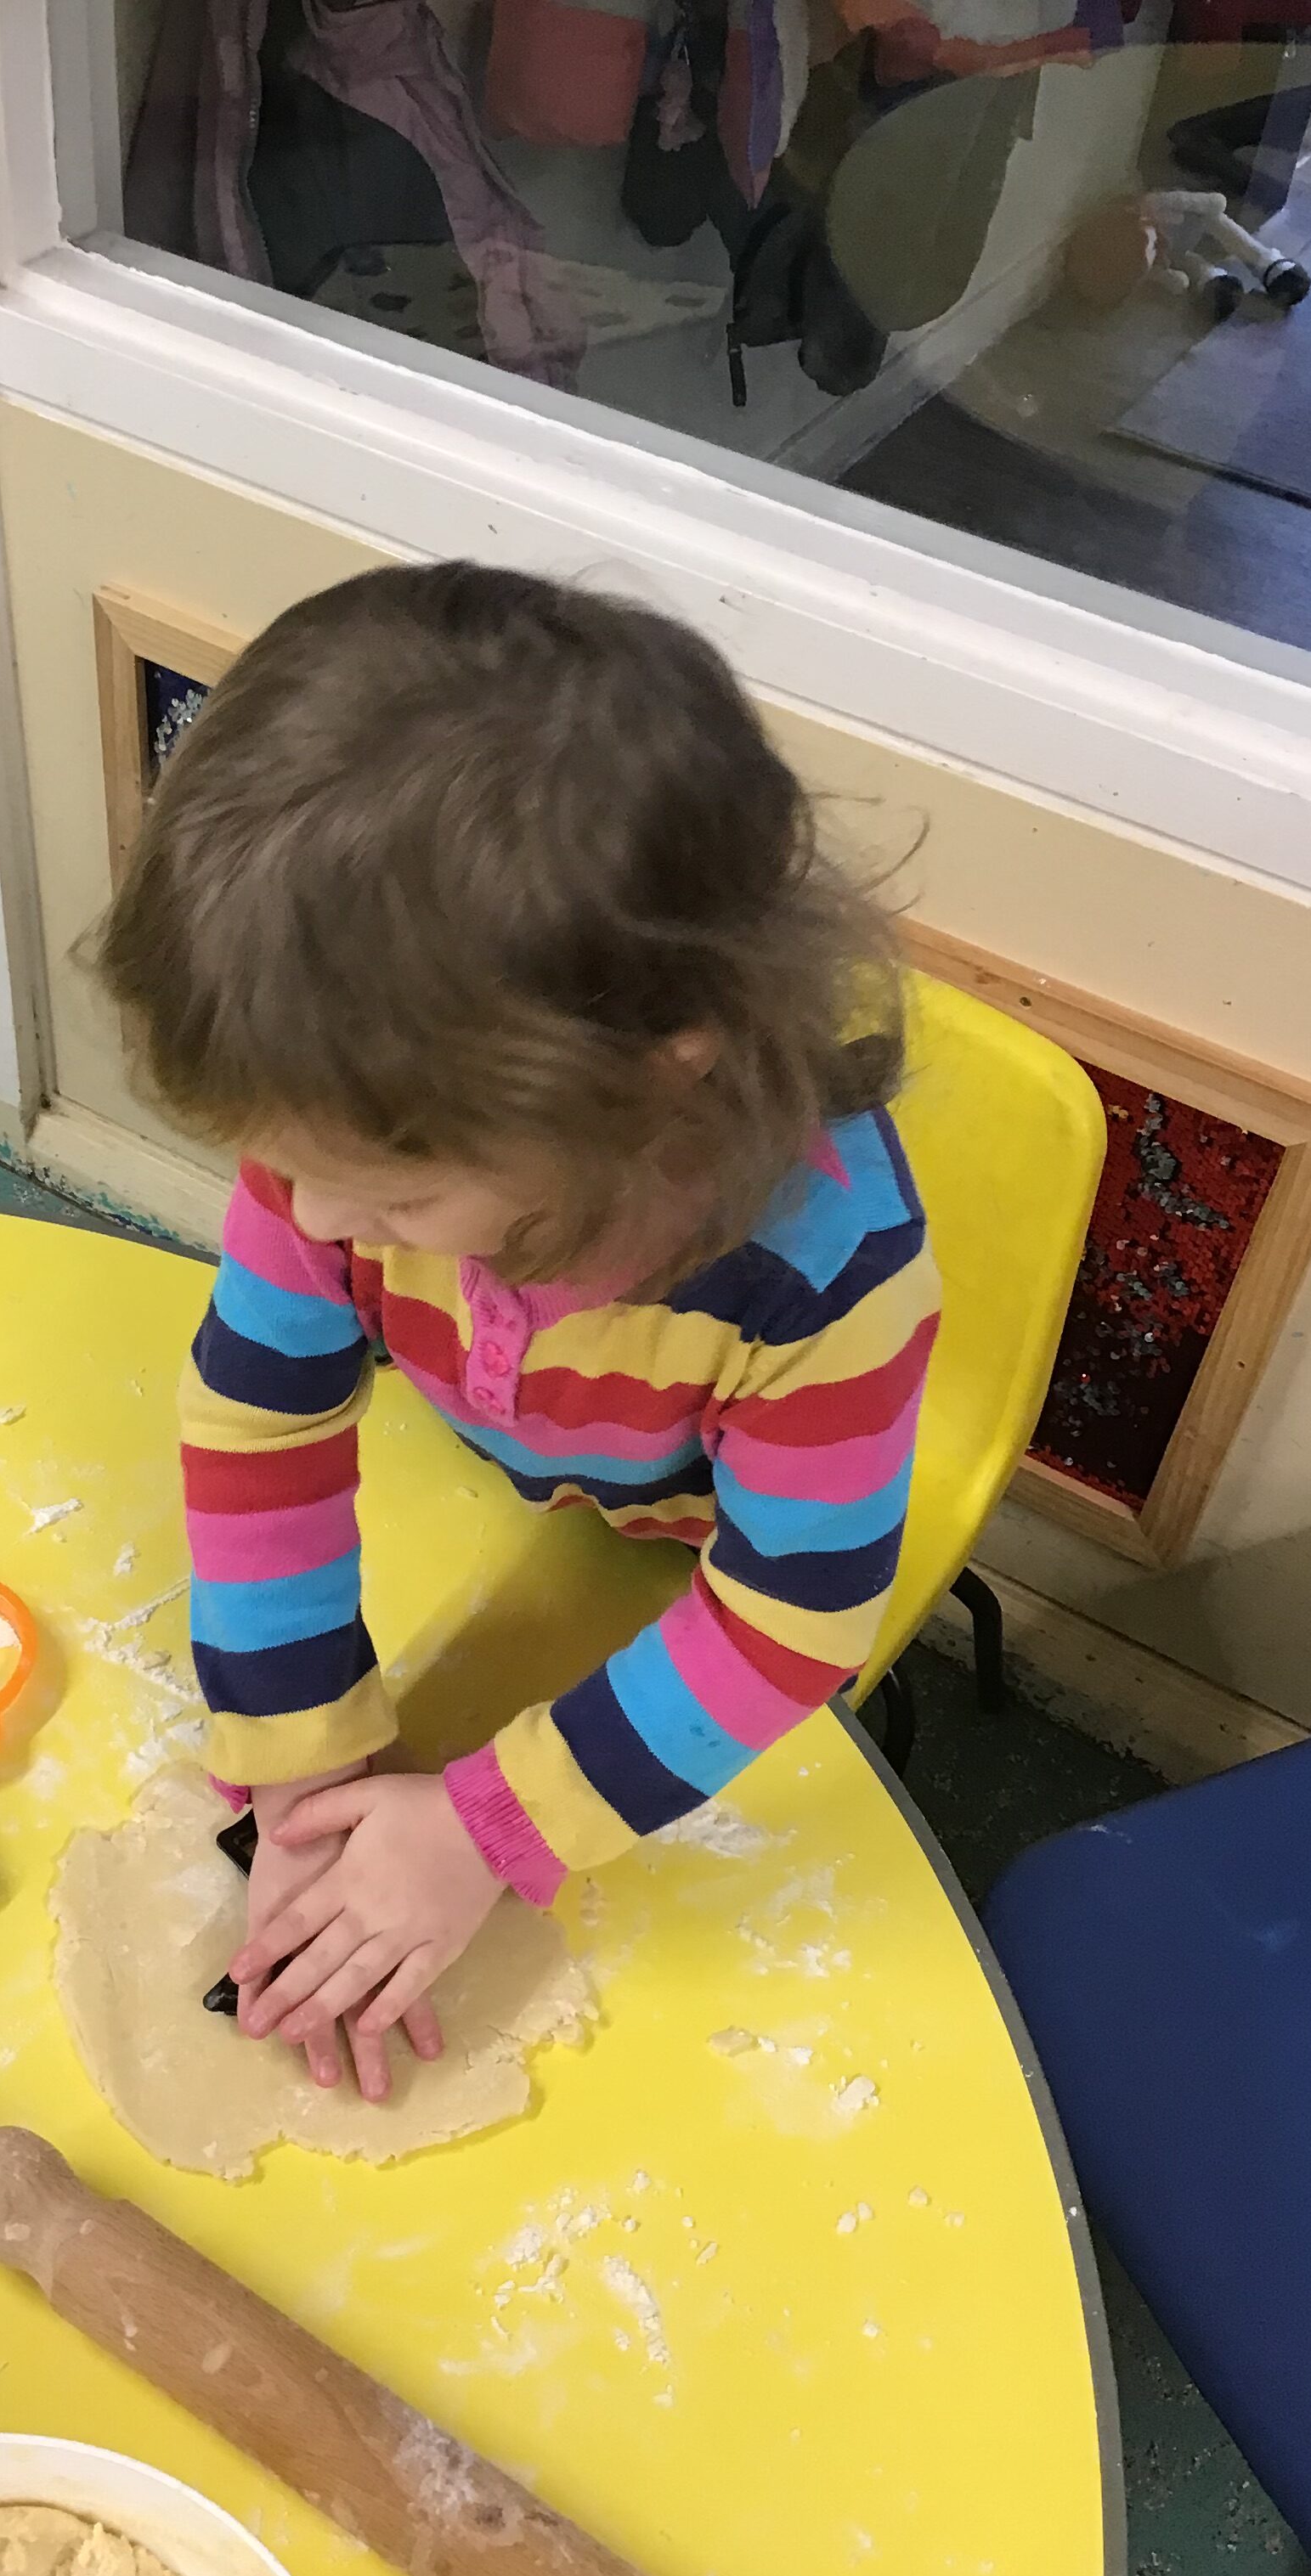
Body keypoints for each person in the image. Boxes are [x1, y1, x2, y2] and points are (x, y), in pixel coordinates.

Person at [94, 562, 937, 2105]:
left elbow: (787, 1623)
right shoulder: (352, 1142)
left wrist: (491, 1827)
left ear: (651, 1086)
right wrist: (301, 1753)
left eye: (396, 1198)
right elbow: (265, 1413)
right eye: (291, 1169)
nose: (316, 1219)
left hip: (701, 1555)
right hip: (519, 1465)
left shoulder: (824, 1282)